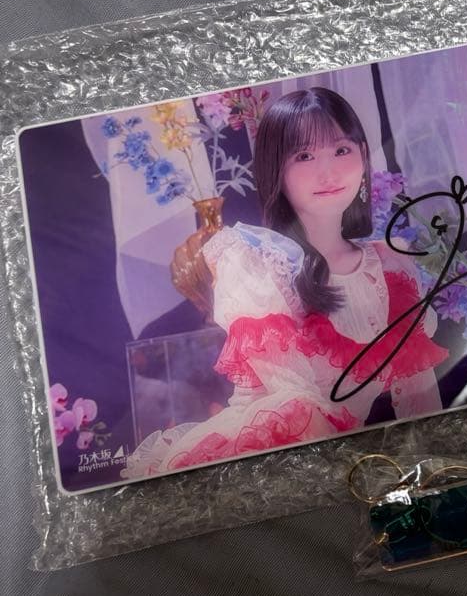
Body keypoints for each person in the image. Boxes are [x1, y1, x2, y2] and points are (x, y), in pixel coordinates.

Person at [123, 87, 447, 477]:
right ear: (276, 168)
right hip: (270, 461)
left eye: (341, 150)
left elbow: (420, 401)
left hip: (344, 462)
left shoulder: (392, 262)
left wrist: (431, 474)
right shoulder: (254, 260)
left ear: (363, 155)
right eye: (304, 156)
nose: (328, 172)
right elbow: (296, 405)